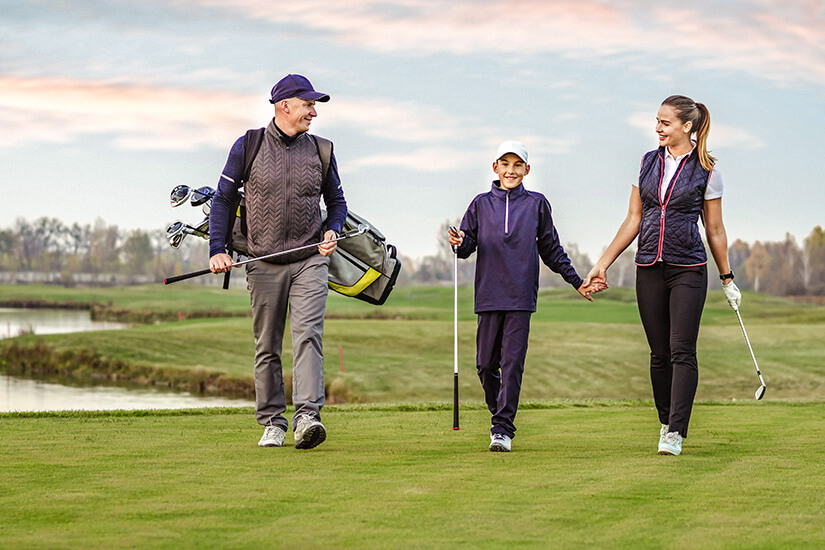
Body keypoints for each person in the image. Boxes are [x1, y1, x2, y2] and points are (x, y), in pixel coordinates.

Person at [583, 95, 741, 456]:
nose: (657, 128)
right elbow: (633, 218)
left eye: (665, 123)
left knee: (681, 350)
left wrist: (727, 278)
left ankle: (675, 432)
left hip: (688, 268)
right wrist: (602, 263)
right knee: (659, 354)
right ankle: (666, 419)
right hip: (648, 268)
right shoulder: (645, 163)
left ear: (687, 126)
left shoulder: (708, 172)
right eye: (656, 121)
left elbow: (714, 229)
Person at [208, 74, 347, 450]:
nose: (313, 112)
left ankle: (307, 418)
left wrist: (332, 230)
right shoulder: (248, 145)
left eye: (314, 106)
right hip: (262, 260)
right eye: (308, 105)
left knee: (308, 337)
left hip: (310, 259)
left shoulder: (321, 150)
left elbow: (337, 204)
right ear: (284, 105)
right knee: (267, 344)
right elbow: (222, 200)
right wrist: (216, 249)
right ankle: (273, 421)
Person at [448, 140, 602, 452]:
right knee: (484, 364)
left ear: (527, 170)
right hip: (488, 296)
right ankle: (499, 415)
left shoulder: (537, 204)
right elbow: (465, 249)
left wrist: (576, 281)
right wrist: (457, 241)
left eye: (517, 165)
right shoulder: (480, 204)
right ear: (495, 167)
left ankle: (502, 428)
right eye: (505, 164)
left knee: (513, 363)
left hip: (520, 296)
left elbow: (551, 249)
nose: (511, 170)